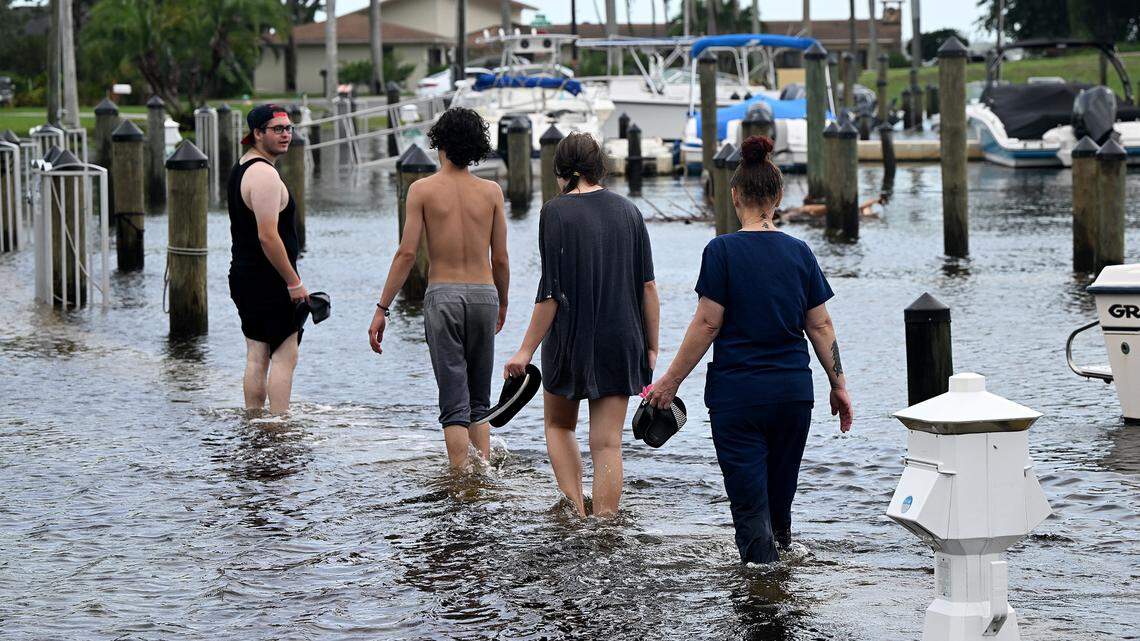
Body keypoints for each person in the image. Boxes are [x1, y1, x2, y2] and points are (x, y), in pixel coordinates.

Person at [645, 135, 853, 564]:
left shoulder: (721, 251)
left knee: (750, 509)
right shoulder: (800, 253)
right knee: (779, 507)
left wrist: (669, 381)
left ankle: (763, 602)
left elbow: (707, 323)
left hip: (738, 398)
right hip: (792, 396)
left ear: (735, 195)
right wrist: (840, 385)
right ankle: (785, 596)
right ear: (778, 196)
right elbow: (821, 324)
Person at [505, 133, 659, 518]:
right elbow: (648, 287)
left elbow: (551, 294)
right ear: (599, 168)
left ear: (561, 172)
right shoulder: (629, 211)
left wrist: (524, 350)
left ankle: (575, 512)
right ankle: (606, 526)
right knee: (608, 443)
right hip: (622, 337)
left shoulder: (554, 212)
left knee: (559, 426)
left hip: (570, 339)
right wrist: (651, 346)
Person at [368, 107, 509, 471]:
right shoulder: (491, 192)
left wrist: (383, 307)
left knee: (453, 400)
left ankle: (461, 481)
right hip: (483, 295)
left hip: (443, 296)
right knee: (480, 400)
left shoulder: (422, 190)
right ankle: (485, 477)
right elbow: (502, 260)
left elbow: (407, 253)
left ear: (439, 144)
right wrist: (503, 302)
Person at [228, 104, 309, 416]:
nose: (286, 134)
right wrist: (294, 282)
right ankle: (278, 424)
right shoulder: (263, 174)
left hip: (247, 276)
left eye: (288, 128)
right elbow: (268, 236)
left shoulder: (243, 167)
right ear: (257, 134)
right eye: (277, 129)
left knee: (257, 353)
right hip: (268, 278)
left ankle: (253, 421)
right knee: (285, 354)